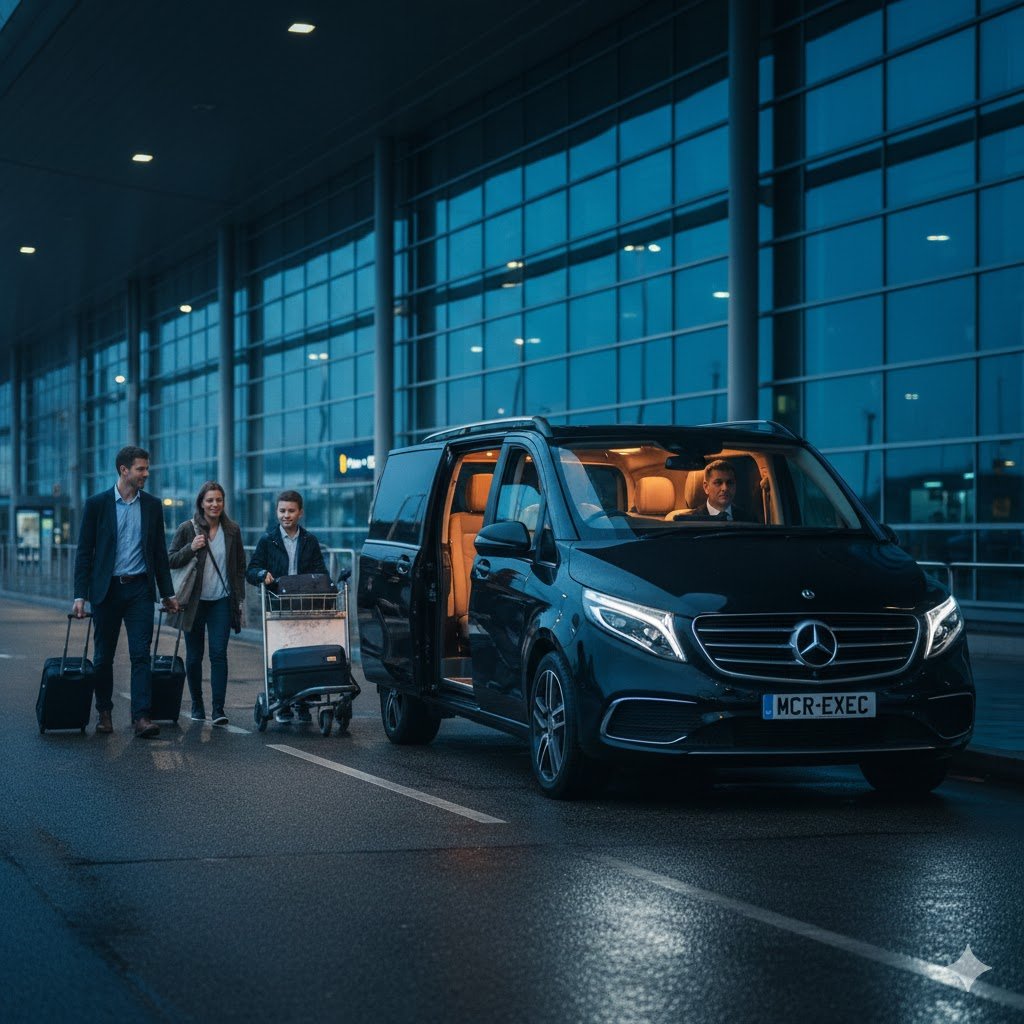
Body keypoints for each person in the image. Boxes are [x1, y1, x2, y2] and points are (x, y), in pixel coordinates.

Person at [72, 445, 179, 738]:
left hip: (140, 591)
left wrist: (167, 593)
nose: (146, 473)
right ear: (124, 470)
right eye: (141, 469)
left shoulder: (152, 505)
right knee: (103, 656)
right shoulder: (97, 505)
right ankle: (104, 712)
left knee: (140, 654)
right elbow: (84, 553)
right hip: (106, 591)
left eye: (146, 468)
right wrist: (79, 595)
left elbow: (158, 552)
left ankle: (141, 716)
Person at [245, 489, 329, 723]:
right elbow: (251, 571)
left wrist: (322, 586)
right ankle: (281, 704)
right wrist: (263, 574)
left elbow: (320, 571)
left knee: (303, 655)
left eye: (291, 511)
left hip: (303, 606)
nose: (286, 515)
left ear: (300, 513)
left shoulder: (309, 540)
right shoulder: (268, 540)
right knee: (279, 654)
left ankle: (302, 704)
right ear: (276, 512)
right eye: (282, 511)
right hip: (277, 605)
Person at [167, 481, 247, 726]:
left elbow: (240, 567)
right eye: (210, 500)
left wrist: (239, 598)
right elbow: (170, 560)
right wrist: (191, 548)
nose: (215, 504)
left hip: (221, 601)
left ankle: (219, 709)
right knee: (194, 656)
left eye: (219, 500)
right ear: (201, 502)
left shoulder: (232, 530)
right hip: (194, 602)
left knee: (219, 654)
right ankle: (197, 705)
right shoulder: (187, 529)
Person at [676, 459, 753, 522]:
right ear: (706, 487)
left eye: (730, 483)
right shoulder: (689, 521)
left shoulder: (749, 520)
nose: (725, 488)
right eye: (718, 483)